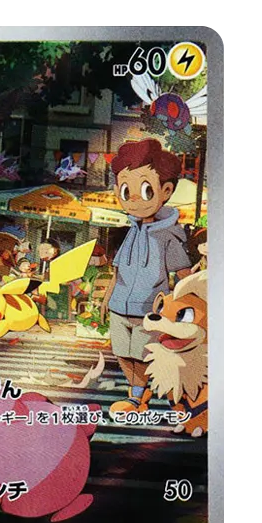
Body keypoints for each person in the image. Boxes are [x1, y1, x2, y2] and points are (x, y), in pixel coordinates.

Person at [99, 139, 191, 413]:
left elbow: (183, 275)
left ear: (166, 190)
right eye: (126, 190)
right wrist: (106, 299)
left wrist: (183, 309)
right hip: (119, 306)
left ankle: (137, 397)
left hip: (149, 310)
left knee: (142, 355)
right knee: (121, 353)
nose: (135, 199)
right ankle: (139, 392)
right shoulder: (131, 230)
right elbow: (118, 271)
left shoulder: (169, 235)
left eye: (146, 189)